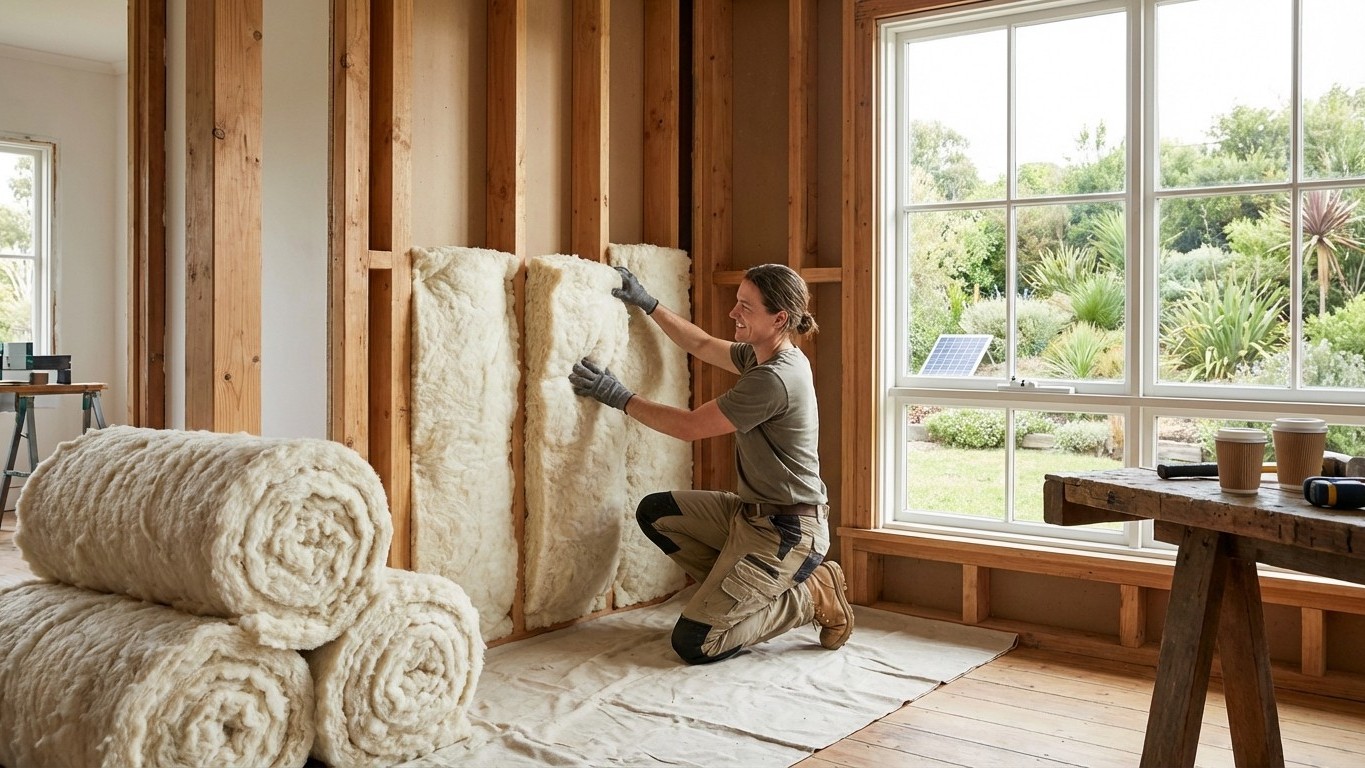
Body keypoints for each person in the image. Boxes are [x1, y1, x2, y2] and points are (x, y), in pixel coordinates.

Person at [568, 263, 853, 665]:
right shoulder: (765, 355)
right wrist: (648, 303)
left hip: (786, 531)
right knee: (657, 513)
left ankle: (810, 595)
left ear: (779, 318)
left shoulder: (774, 378)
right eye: (737, 303)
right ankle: (738, 594)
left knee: (695, 642)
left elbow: (689, 427)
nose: (734, 313)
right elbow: (701, 344)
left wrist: (619, 397)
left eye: (745, 307)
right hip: (749, 517)